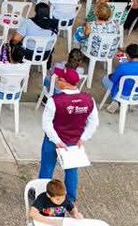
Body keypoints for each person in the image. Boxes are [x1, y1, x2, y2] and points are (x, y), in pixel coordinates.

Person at [39, 68, 97, 202]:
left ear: (65, 82)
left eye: (59, 79)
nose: (57, 81)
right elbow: (93, 123)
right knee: (71, 171)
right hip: (74, 141)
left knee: (47, 168)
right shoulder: (89, 100)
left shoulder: (55, 100)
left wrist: (57, 140)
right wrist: (83, 139)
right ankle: (70, 198)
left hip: (53, 140)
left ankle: (42, 194)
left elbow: (46, 124)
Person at [102, 43, 138, 110]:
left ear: (127, 55)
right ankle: (125, 103)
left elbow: (113, 80)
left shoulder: (123, 67)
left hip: (124, 94)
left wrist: (111, 75)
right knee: (125, 71)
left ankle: (118, 101)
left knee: (105, 79)